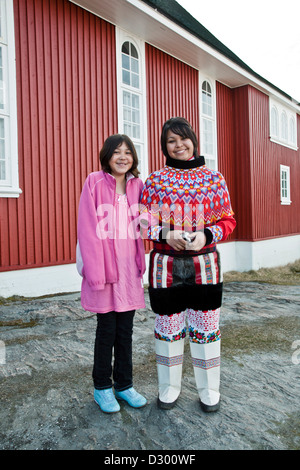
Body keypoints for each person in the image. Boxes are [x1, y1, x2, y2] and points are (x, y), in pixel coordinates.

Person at [140, 117, 236, 412]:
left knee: (206, 328)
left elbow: (228, 220)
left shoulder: (213, 179)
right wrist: (166, 233)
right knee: (168, 328)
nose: (178, 145)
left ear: (193, 140)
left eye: (182, 138)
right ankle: (168, 387)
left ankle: (210, 390)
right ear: (164, 147)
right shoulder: (155, 181)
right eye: (171, 141)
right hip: (165, 266)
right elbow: (143, 222)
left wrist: (206, 234)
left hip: (205, 265)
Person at [77, 134, 147, 413]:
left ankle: (124, 385)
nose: (122, 157)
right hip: (104, 269)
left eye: (128, 152)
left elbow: (148, 218)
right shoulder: (94, 181)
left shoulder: (138, 185)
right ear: (106, 156)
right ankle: (102, 388)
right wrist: (93, 271)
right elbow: (86, 227)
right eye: (116, 152)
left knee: (126, 331)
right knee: (106, 331)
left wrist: (154, 220)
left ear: (133, 157)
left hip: (129, 270)